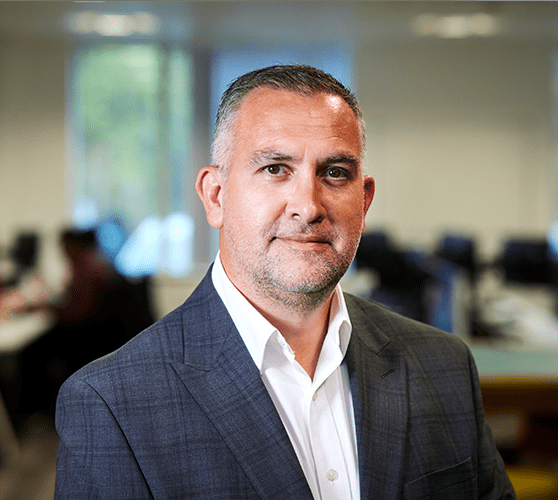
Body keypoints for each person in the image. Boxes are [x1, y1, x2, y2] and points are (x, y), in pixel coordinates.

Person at [54, 65, 515, 499]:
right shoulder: (110, 404)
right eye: (275, 169)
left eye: (334, 173)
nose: (308, 205)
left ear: (365, 200)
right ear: (216, 196)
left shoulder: (444, 366)